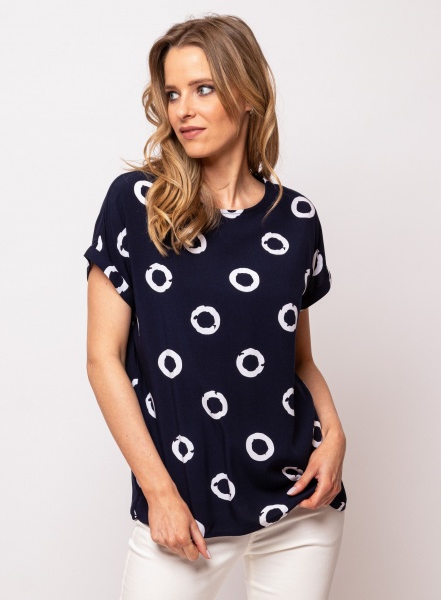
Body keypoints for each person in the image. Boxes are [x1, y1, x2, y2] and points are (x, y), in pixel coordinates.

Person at [84, 13, 347, 600]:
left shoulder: (296, 219)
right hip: (186, 510)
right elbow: (103, 361)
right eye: (173, 93)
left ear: (247, 94)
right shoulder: (137, 203)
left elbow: (298, 361)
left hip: (302, 505)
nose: (183, 109)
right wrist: (159, 494)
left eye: (203, 89)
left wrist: (334, 435)